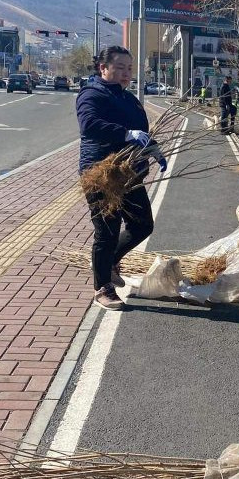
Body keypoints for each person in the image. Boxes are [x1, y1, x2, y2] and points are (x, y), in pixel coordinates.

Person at [77, 46, 167, 311]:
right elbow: (89, 124)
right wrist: (126, 133)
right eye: (119, 68)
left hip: (129, 172)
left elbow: (142, 130)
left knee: (142, 225)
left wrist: (152, 148)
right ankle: (102, 287)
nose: (126, 73)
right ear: (103, 69)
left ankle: (108, 263)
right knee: (107, 231)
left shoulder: (129, 98)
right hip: (101, 172)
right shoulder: (91, 94)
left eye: (129, 68)